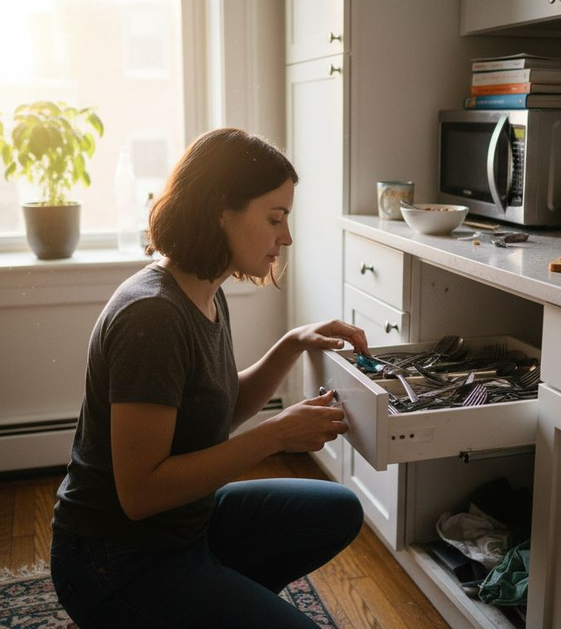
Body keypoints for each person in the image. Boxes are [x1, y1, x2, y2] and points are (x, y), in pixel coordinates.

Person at [50, 128, 368, 628]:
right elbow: (141, 494)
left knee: (339, 510)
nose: (285, 237)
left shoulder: (204, 289)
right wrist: (276, 435)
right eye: (275, 218)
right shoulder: (153, 316)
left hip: (184, 528)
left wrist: (292, 343)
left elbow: (213, 409)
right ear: (223, 210)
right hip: (114, 559)